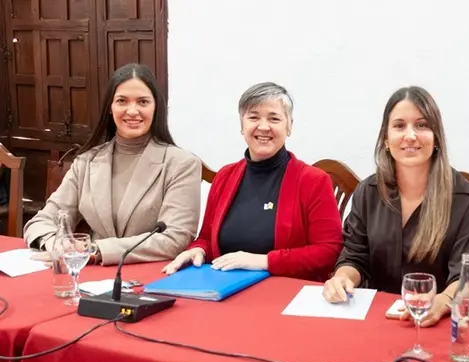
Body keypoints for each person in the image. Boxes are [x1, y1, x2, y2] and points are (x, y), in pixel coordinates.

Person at [322, 86, 469, 328]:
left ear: (436, 137)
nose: (411, 135)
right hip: (376, 319)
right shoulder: (369, 191)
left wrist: (442, 301)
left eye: (422, 125)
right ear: (385, 138)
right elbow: (354, 255)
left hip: (436, 323)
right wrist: (342, 278)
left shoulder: (464, 197)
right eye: (399, 125)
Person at [24, 63, 201, 265]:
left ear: (156, 107)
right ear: (110, 107)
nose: (132, 111)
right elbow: (41, 222)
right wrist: (55, 244)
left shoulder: (182, 164)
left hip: (152, 278)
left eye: (143, 102)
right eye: (122, 101)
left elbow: (175, 239)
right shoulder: (86, 162)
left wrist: (97, 250)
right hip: (92, 278)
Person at [162, 82, 343, 281]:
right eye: (253, 117)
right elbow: (206, 237)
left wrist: (263, 261)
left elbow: (328, 252)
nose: (263, 127)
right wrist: (197, 250)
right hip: (225, 290)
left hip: (286, 294)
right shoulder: (225, 176)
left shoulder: (313, 181)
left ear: (289, 126)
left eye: (274, 118)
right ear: (242, 126)